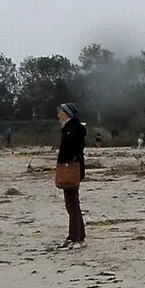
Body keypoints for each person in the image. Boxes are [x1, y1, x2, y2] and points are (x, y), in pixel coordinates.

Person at [55, 102, 87, 245]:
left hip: (71, 170)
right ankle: (78, 234)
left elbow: (74, 148)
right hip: (72, 169)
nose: (58, 115)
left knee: (72, 203)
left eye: (60, 112)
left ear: (67, 113)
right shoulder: (70, 127)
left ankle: (75, 236)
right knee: (72, 203)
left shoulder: (74, 128)